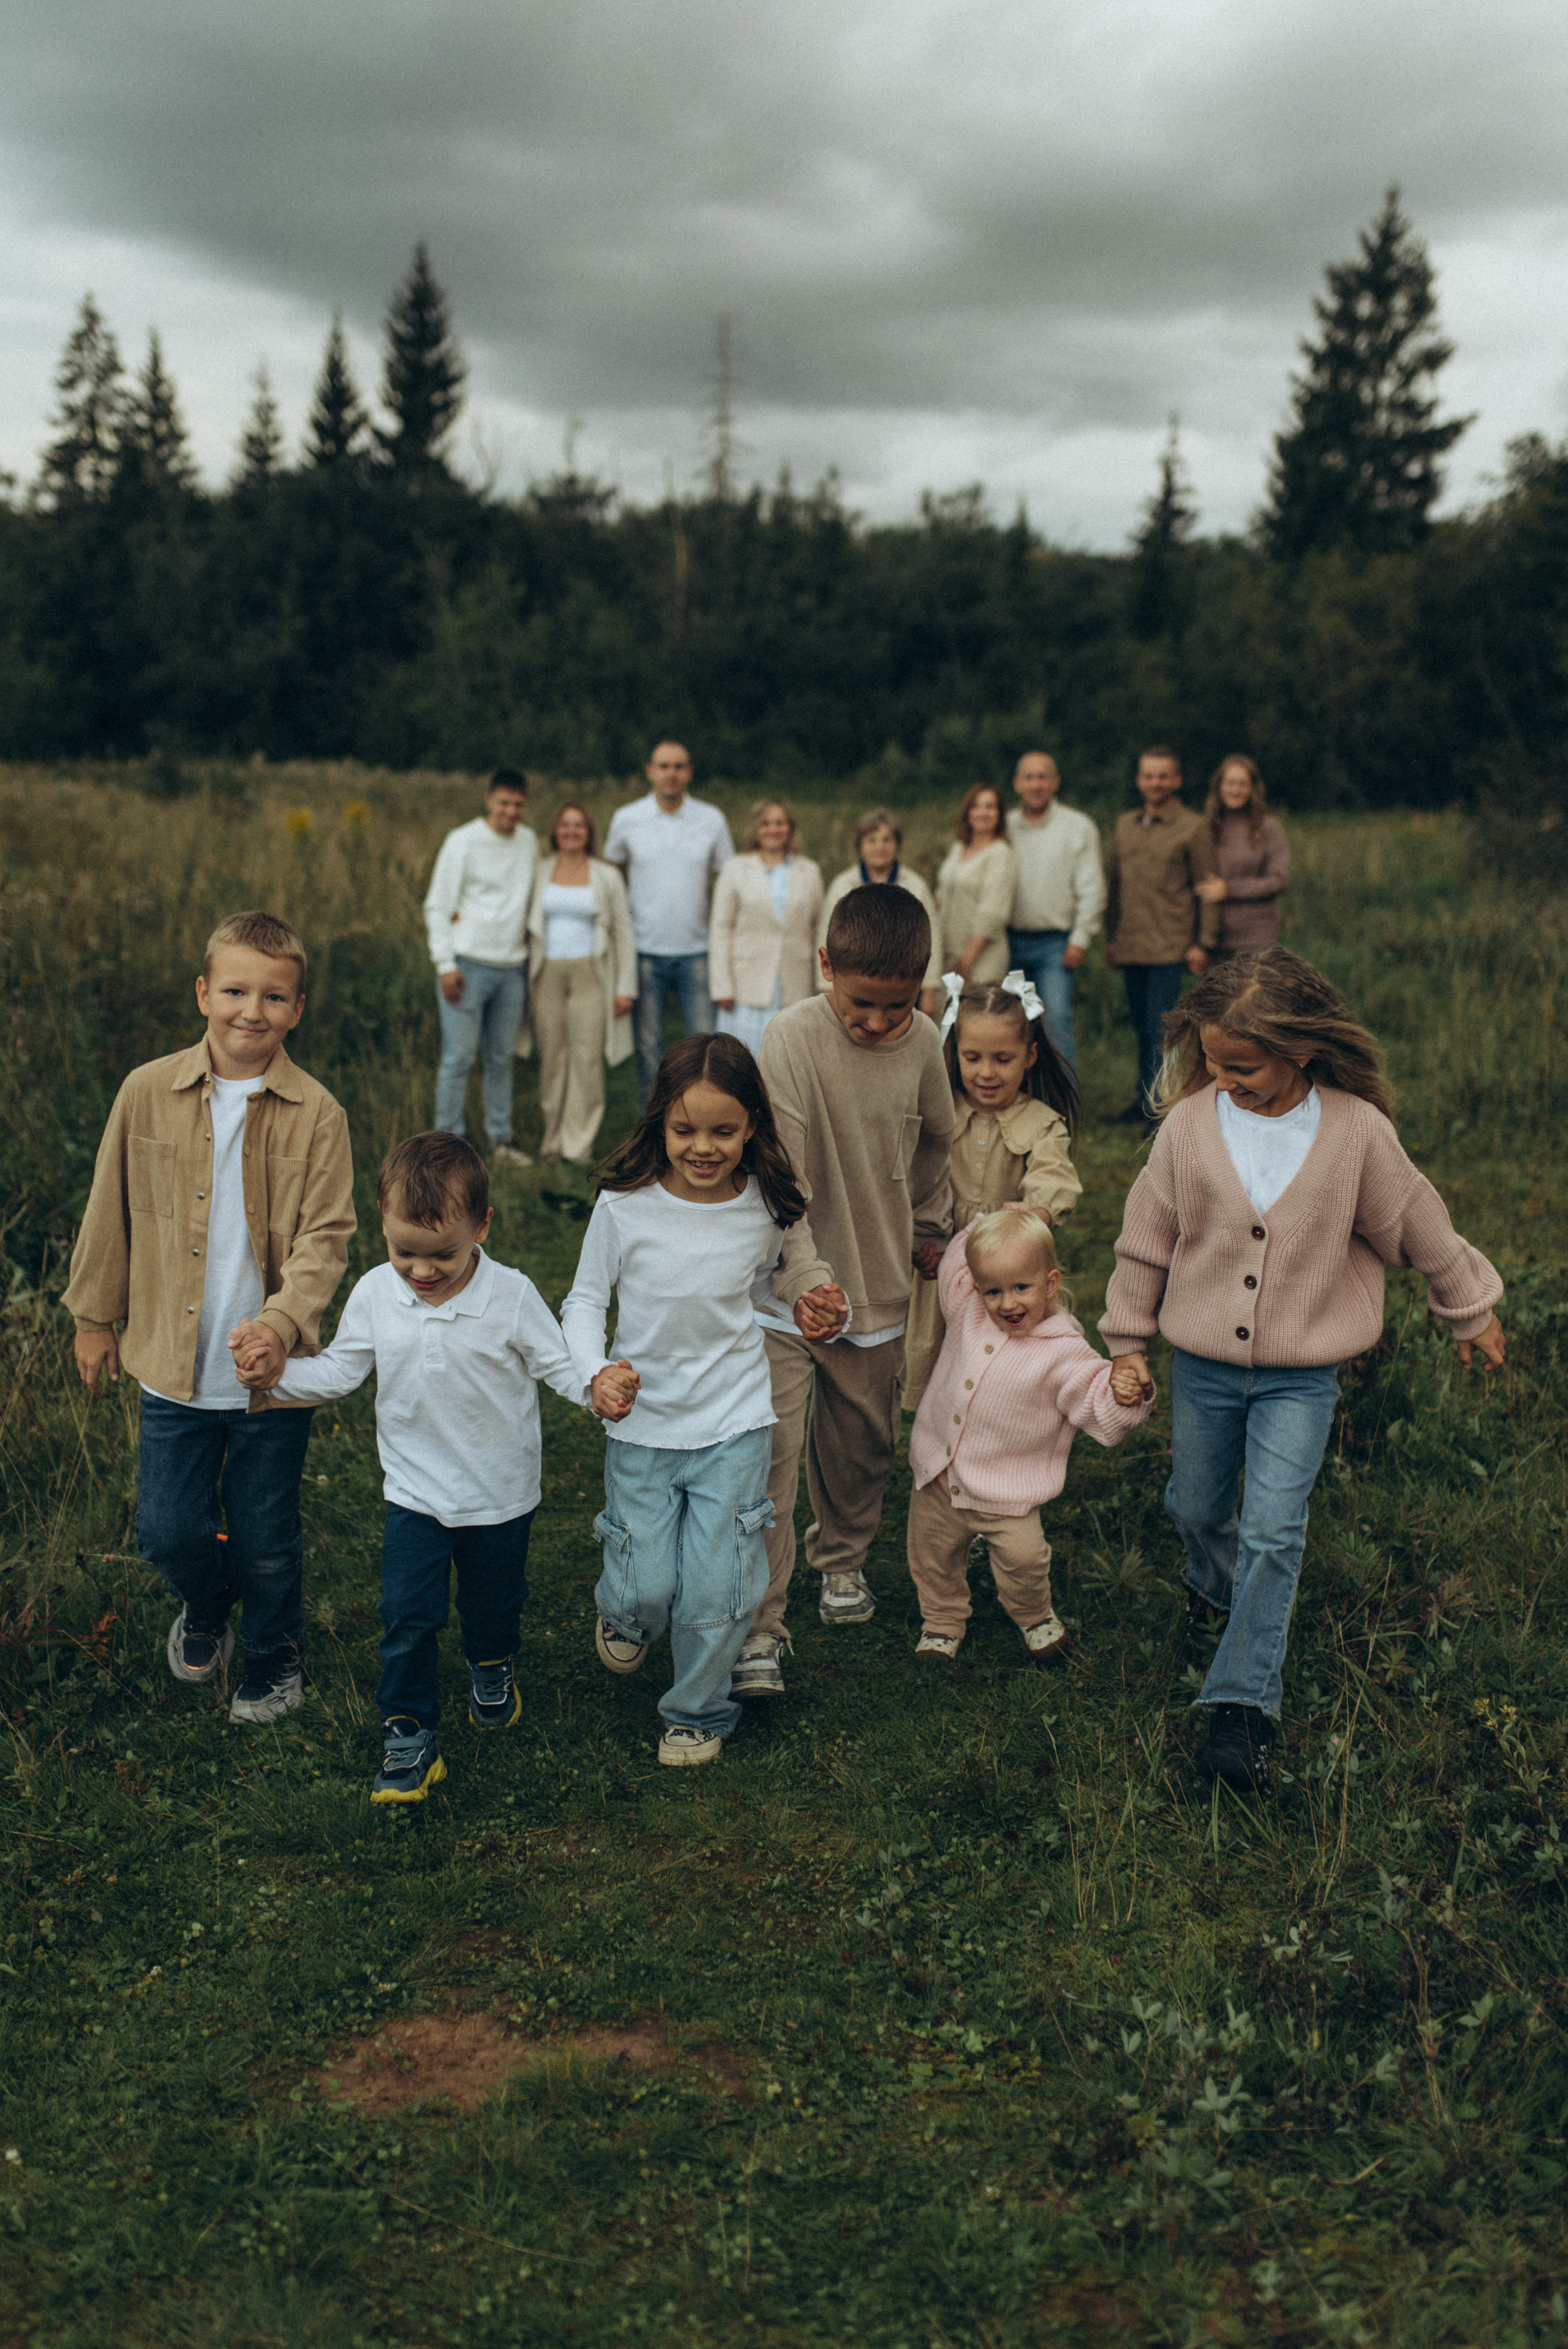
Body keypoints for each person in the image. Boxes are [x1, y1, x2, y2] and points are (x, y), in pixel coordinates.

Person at [1101, 948, 1506, 1795]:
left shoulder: (1357, 1131)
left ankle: (1242, 1705)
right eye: (1212, 1062)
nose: (1224, 1079)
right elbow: (1148, 1237)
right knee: (1199, 1506)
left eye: (1242, 1066)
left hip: (1301, 1376)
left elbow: (1416, 1219)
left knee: (1274, 1527)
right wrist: (1127, 1339)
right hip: (1204, 1366)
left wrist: (1468, 1303)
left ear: (1303, 1051)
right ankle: (1211, 1595)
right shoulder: (1188, 1128)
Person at [234, 1133, 617, 1802]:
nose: (421, 1270)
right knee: (406, 1614)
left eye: (442, 1253)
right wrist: (275, 1379)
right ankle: (408, 1735)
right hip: (414, 1491)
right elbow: (344, 1368)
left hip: (499, 1493)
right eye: (403, 1250)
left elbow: (558, 1365)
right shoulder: (378, 1294)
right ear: (383, 1230)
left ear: (482, 1228)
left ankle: (491, 1663)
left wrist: (597, 1388)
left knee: (492, 1603)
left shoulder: (512, 1295)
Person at [63, 909, 355, 1727]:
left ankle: (271, 1655)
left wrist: (284, 1321)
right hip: (171, 1358)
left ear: (297, 1007)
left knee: (265, 1532)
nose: (250, 1011)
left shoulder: (318, 1112)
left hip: (272, 1373)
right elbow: (109, 1206)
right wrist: (95, 1315)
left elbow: (327, 1235)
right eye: (234, 989)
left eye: (273, 996)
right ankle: (206, 1598)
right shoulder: (146, 1092)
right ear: (203, 992)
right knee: (166, 1527)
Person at [562, 1036, 848, 1765]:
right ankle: (623, 1611)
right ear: (660, 1121)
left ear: (752, 1125)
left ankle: (697, 1712)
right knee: (650, 1582)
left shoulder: (765, 1205)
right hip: (644, 1424)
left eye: (723, 1131)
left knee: (719, 1583)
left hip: (735, 1420)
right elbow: (585, 1299)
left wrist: (815, 1299)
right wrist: (595, 1373)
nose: (703, 1147)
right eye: (685, 1130)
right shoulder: (624, 1208)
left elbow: (783, 1276)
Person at [732, 886, 955, 1699]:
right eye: (861, 1003)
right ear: (825, 965)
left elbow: (938, 1137)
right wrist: (807, 1278)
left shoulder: (926, 1041)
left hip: (880, 1283)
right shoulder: (789, 1037)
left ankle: (844, 1557)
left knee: (862, 1445)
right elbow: (778, 1169)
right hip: (785, 1285)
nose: (875, 1022)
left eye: (896, 1007)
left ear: (922, 989)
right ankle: (760, 1625)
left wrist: (927, 1220)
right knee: (770, 1454)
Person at [907, 1206, 1153, 1662]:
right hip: (940, 1472)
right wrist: (986, 1220)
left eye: (1022, 1287)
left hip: (1008, 1490)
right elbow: (958, 1264)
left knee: (1024, 1561)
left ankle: (1033, 1613)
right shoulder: (968, 1309)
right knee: (932, 1555)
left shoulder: (1064, 1352)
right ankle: (941, 1620)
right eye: (994, 1290)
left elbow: (1095, 1397)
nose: (1008, 1303)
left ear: (1051, 1284)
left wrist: (1124, 1395)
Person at [902, 971, 1081, 1412]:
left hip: (1003, 1272)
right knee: (938, 1369)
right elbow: (910, 1176)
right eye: (973, 1057)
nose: (986, 1072)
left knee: (998, 1371)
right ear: (954, 1052)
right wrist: (919, 1236)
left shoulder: (1041, 1122)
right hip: (940, 1262)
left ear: (1030, 1055)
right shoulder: (938, 1109)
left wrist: (1032, 1216)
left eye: (1002, 1058)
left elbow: (1053, 1174)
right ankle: (938, 1437)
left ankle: (997, 1439)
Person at [603, 741, 734, 1102]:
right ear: (650, 771)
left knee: (704, 1044)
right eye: (663, 766)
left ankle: (702, 1114)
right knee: (648, 1046)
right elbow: (610, 875)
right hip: (644, 950)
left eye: (678, 766)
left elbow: (729, 877)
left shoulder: (712, 819)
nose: (671, 774)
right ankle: (655, 1124)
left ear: (689, 772)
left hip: (697, 950)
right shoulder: (627, 819)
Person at [423, 767, 539, 1167]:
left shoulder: (528, 843)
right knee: (458, 1057)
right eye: (504, 803)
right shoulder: (463, 841)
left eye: (518, 804)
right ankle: (445, 1145)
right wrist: (445, 964)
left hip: (512, 967)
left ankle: (500, 1139)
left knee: (501, 1057)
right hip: (467, 966)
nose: (511, 811)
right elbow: (438, 905)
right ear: (489, 800)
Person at [1104, 747, 1221, 1126]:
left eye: (1163, 776)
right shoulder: (1124, 825)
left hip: (1171, 946)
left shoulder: (1192, 826)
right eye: (1149, 776)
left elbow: (1207, 887)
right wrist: (1111, 938)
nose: (1156, 783)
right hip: (1132, 944)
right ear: (1139, 780)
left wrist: (1203, 942)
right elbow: (1115, 886)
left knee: (1163, 1032)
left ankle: (1163, 1113)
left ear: (1177, 780)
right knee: (1141, 1028)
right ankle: (1143, 1099)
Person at [525, 802, 636, 1167]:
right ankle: (553, 1141)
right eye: (565, 825)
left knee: (586, 1058)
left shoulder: (606, 875)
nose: (572, 832)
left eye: (580, 826)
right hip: (547, 974)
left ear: (589, 833)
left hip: (591, 973)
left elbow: (623, 932)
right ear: (555, 832)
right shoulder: (540, 871)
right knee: (552, 1058)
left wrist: (625, 987)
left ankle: (578, 1145)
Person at [1005, 751, 1106, 1068]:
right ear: (1018, 783)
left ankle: (1063, 1105)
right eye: (1029, 777)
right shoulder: (1003, 826)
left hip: (1055, 945)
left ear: (1055, 782)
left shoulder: (1078, 827)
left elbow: (1092, 888)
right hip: (1008, 943)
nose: (1036, 784)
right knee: (1009, 1025)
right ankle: (1018, 1102)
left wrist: (1081, 938)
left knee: (1056, 1020)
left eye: (1043, 777)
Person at [708, 797, 824, 1054]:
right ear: (755, 829)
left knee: (790, 1056)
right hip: (745, 987)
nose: (773, 829)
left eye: (780, 823)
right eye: (766, 824)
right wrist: (722, 986)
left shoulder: (810, 871)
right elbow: (721, 929)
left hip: (795, 984)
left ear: (790, 828)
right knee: (744, 1059)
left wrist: (822, 983)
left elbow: (820, 930)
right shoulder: (735, 869)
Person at [818, 809, 943, 1019]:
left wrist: (930, 989)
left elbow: (932, 939)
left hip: (903, 984)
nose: (880, 847)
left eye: (887, 840)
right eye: (872, 840)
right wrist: (826, 987)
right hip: (859, 987)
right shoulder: (843, 885)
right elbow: (826, 935)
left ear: (897, 845)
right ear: (860, 846)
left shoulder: (914, 885)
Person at [1194, 755, 1291, 959]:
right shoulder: (1205, 827)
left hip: (1256, 938)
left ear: (1253, 788)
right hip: (1214, 939)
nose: (1235, 790)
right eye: (1230, 783)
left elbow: (1279, 880)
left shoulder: (1268, 828)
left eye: (1242, 784)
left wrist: (1228, 890)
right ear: (1219, 786)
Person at [935, 784, 1017, 989]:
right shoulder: (959, 848)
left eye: (990, 807)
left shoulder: (1000, 853)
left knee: (975, 1017)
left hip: (980, 959)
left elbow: (993, 913)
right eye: (976, 806)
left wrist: (966, 962)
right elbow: (942, 894)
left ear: (999, 814)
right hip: (947, 954)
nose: (983, 813)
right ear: (968, 813)